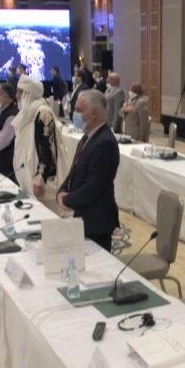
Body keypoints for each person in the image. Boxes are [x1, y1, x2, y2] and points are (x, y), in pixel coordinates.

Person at [57, 90, 120, 251]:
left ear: (93, 113)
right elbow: (75, 170)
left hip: (96, 221)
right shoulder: (88, 137)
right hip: (83, 216)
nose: (74, 113)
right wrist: (62, 190)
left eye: (79, 110)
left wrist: (67, 199)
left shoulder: (105, 143)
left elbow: (94, 186)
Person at [12, 76, 62, 210]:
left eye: (20, 92)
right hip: (27, 170)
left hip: (39, 179)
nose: (17, 96)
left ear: (29, 93)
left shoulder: (43, 112)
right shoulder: (27, 112)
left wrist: (40, 178)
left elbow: (48, 148)